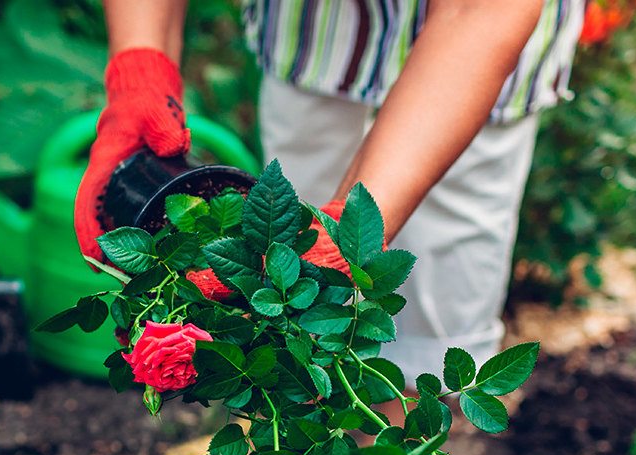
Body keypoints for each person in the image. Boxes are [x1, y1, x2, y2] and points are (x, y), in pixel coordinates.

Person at [74, 0, 585, 381]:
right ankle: (304, 451)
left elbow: (478, 12)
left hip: (479, 41)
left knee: (445, 278)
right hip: (316, 26)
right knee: (296, 225)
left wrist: (349, 230)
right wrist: (139, 66)